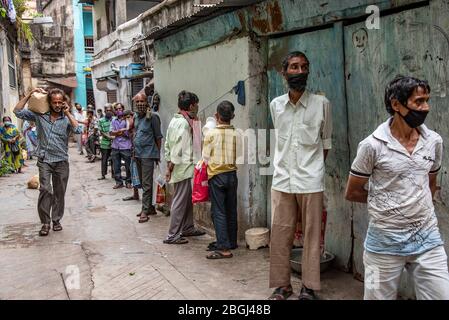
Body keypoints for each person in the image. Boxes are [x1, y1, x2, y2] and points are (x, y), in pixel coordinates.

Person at [345, 75, 449, 300]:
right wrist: (390, 203)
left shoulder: (434, 141)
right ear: (396, 104)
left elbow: (430, 184)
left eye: (427, 101)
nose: (426, 107)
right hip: (380, 245)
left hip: (428, 241)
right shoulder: (371, 146)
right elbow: (352, 191)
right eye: (419, 102)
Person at [268, 51, 332, 300]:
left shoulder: (321, 104)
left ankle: (309, 287)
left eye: (304, 67)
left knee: (312, 236)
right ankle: (282, 285)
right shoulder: (276, 105)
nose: (300, 71)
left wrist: (312, 169)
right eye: (294, 67)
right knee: (280, 234)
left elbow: (325, 144)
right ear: (284, 73)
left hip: (310, 181)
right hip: (282, 179)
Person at [14, 87, 81, 236]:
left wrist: (68, 112)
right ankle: (45, 222)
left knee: (59, 192)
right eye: (54, 102)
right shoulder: (40, 116)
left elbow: (78, 130)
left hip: (61, 161)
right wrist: (30, 94)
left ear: (63, 102)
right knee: (45, 190)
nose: (57, 105)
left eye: (60, 102)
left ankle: (56, 220)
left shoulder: (66, 118)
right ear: (49, 103)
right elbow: (17, 111)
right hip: (44, 159)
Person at [163, 91, 206, 244]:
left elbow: (167, 144)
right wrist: (170, 167)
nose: (198, 107)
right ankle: (172, 235)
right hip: (181, 167)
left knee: (186, 199)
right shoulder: (182, 123)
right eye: (196, 104)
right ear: (191, 105)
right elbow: (178, 149)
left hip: (181, 167)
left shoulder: (177, 121)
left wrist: (169, 162)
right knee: (180, 200)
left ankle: (187, 227)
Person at [202, 101, 239, 259]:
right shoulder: (237, 133)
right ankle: (231, 242)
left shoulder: (211, 134)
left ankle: (223, 248)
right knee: (231, 209)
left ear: (217, 116)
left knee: (219, 212)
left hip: (217, 176)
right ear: (233, 116)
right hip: (232, 175)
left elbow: (205, 157)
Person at [132, 93, 163, 223]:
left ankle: (145, 210)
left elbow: (158, 137)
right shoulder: (136, 117)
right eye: (137, 101)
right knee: (143, 183)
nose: (140, 104)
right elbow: (135, 133)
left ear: (147, 102)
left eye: (142, 101)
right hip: (138, 154)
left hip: (148, 155)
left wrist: (157, 154)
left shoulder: (153, 118)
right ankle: (149, 207)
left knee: (147, 184)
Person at [110, 107, 132, 189]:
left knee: (128, 166)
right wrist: (121, 131)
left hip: (126, 146)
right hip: (115, 146)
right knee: (116, 166)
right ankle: (119, 182)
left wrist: (117, 132)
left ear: (123, 109)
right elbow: (111, 132)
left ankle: (128, 182)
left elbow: (128, 132)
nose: (119, 110)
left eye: (120, 108)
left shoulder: (127, 119)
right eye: (117, 109)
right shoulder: (113, 120)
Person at [97, 104, 114, 180]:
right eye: (107, 110)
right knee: (104, 159)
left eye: (110, 110)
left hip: (114, 143)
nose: (108, 112)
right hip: (104, 143)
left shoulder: (114, 119)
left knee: (114, 159)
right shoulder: (101, 120)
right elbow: (101, 131)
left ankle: (114, 175)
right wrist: (109, 137)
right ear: (104, 111)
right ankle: (103, 174)